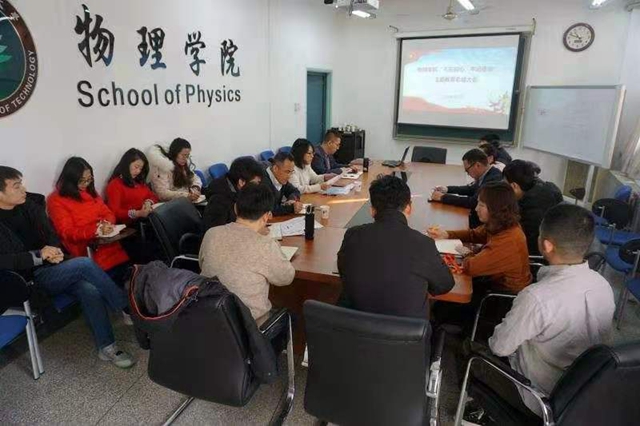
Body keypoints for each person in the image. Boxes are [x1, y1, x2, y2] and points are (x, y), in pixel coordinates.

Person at [485, 204, 615, 417]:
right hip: (585, 394)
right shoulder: (603, 286)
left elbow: (499, 348)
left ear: (546, 245)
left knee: (473, 348)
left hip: (540, 398)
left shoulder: (537, 297)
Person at [0, 166, 135, 368]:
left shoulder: (29, 206)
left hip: (54, 267)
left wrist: (55, 250)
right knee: (84, 264)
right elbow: (4, 261)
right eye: (16, 186)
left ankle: (108, 347)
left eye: (22, 184)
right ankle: (127, 306)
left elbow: (52, 234)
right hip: (29, 280)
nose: (23, 190)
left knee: (88, 289)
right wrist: (38, 256)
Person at [338, 175, 455, 318]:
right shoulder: (423, 243)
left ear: (372, 210)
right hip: (406, 331)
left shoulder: (353, 235)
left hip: (353, 327)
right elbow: (444, 285)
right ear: (409, 208)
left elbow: (343, 271)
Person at [199, 183, 295, 325]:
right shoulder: (265, 244)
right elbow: (286, 277)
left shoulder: (211, 234)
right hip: (250, 328)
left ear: (235, 208)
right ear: (267, 216)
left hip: (209, 319)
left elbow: (202, 264)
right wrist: (270, 240)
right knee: (293, 316)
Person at [428, 181, 531, 295]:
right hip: (490, 280)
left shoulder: (509, 240)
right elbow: (474, 234)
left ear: (495, 209)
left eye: (481, 205)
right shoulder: (501, 224)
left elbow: (471, 267)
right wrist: (447, 234)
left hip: (502, 295)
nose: (476, 209)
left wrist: (466, 253)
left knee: (446, 289)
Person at [47, 157, 130, 285]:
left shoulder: (90, 192)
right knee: (111, 279)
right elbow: (66, 232)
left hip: (107, 242)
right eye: (82, 180)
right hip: (85, 247)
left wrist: (106, 223)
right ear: (70, 179)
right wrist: (96, 230)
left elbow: (108, 213)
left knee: (128, 266)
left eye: (89, 179)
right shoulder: (56, 200)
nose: (86, 184)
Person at [503, 160, 564, 255]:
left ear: (514, 186)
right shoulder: (549, 188)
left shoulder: (530, 206)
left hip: (536, 255)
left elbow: (527, 241)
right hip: (559, 248)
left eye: (505, 185)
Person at [431, 149, 503, 228]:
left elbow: (473, 202)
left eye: (467, 170)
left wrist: (443, 197)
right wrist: (447, 189)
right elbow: (471, 189)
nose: (468, 174)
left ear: (477, 165)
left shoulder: (493, 180)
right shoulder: (489, 173)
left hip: (480, 225)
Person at [202, 156, 264, 230]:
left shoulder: (235, 188)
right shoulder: (219, 200)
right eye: (256, 183)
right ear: (241, 182)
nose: (257, 187)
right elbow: (217, 233)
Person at [106, 148, 159, 225]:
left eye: (140, 168)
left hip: (145, 218)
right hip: (130, 224)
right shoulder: (115, 185)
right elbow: (115, 212)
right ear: (127, 164)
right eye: (136, 167)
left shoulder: (138, 180)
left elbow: (153, 196)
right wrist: (137, 213)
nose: (138, 171)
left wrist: (148, 202)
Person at [147, 137, 203, 202]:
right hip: (171, 203)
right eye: (183, 155)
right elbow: (162, 194)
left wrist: (195, 187)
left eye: (187, 155)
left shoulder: (182, 164)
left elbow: (194, 178)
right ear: (175, 153)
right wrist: (186, 195)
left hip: (186, 200)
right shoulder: (163, 167)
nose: (186, 159)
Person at [264, 151, 303, 216]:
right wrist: (291, 208)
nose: (289, 176)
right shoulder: (262, 182)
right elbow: (268, 210)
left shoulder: (280, 178)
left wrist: (292, 200)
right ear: (275, 168)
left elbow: (295, 191)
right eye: (287, 172)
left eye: (291, 172)